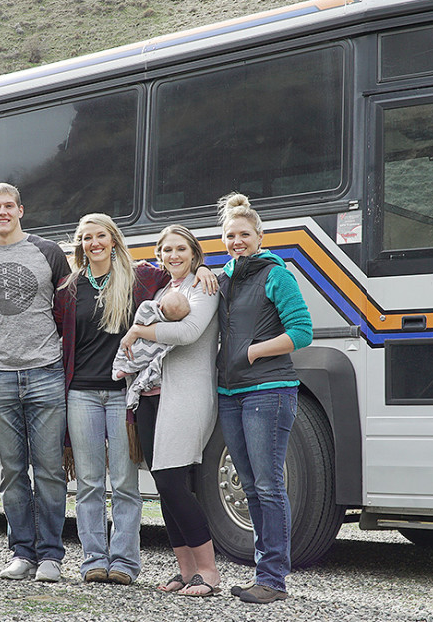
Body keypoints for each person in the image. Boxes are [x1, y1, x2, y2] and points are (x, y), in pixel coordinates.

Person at [54, 214, 216, 585]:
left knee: (126, 483)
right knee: (91, 482)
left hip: (123, 395)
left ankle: (125, 563)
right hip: (81, 393)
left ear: (113, 239)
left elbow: (179, 270)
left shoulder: (142, 277)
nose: (94, 243)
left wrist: (206, 266)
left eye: (101, 236)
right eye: (87, 238)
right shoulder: (69, 287)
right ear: (80, 244)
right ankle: (94, 560)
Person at [0, 182, 71, 583]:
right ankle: (21, 553)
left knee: (49, 470)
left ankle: (51, 555)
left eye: (8, 205)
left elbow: (71, 307)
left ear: (21, 210)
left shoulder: (48, 253)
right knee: (11, 471)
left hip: (46, 370)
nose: (2, 212)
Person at [214, 193, 312, 604]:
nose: (237, 241)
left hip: (268, 391)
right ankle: (264, 573)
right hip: (230, 393)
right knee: (252, 486)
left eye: (244, 234)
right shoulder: (224, 276)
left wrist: (253, 351)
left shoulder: (276, 274)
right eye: (230, 235)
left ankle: (273, 579)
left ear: (259, 236)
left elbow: (302, 331)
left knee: (270, 486)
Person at [117, 224, 221, 596]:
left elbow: (189, 332)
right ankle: (185, 570)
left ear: (194, 253)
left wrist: (138, 333)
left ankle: (208, 571)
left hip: (186, 395)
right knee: (163, 485)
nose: (173, 256)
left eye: (180, 249)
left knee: (175, 482)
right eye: (166, 250)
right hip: (150, 396)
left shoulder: (205, 286)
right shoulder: (163, 290)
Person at [111, 290, 190, 408]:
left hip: (144, 348)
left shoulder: (149, 307)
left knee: (133, 354)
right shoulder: (162, 317)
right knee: (144, 356)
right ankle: (128, 370)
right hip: (146, 345)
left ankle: (123, 369)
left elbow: (141, 317)